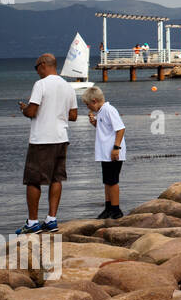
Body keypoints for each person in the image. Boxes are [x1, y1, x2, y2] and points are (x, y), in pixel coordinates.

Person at [16, 53, 78, 234]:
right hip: (61, 138)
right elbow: (73, 116)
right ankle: (51, 219)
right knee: (56, 178)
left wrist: (24, 109)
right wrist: (56, 112)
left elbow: (32, 112)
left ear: (43, 65)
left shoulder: (41, 84)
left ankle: (32, 223)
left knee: (33, 181)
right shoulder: (68, 87)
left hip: (42, 139)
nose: (36, 72)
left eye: (36, 68)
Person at [82, 87, 126, 219]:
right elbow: (105, 129)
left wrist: (116, 148)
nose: (87, 107)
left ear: (94, 101)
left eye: (87, 104)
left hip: (113, 151)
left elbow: (120, 128)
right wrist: (94, 123)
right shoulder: (101, 111)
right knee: (107, 181)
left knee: (112, 181)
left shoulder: (108, 110)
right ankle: (108, 207)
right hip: (104, 152)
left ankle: (116, 209)